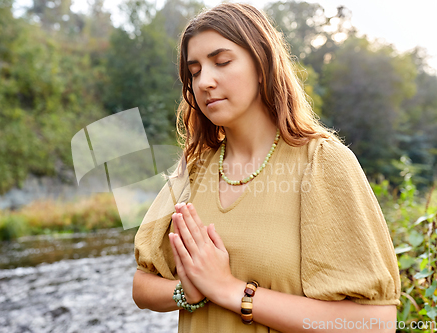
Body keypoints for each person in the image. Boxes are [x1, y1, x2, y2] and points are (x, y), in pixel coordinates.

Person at [132, 3, 401, 333]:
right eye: (195, 70)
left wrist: (229, 289)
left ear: (262, 65)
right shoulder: (194, 168)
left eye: (221, 62)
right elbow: (142, 286)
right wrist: (186, 291)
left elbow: (376, 322)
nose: (204, 81)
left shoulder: (322, 162)